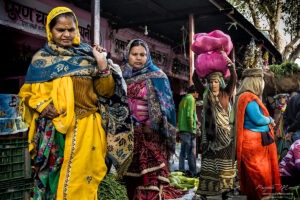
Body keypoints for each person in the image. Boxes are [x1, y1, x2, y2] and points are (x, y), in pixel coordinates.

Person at [18, 7, 133, 199]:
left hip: (88, 128)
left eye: (70, 29)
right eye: (60, 30)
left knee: (86, 182)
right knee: (53, 180)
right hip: (55, 131)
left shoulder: (89, 55)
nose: (66, 34)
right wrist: (43, 105)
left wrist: (102, 64)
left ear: (77, 30)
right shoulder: (42, 60)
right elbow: (28, 93)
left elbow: (107, 92)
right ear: (50, 31)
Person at [121, 39, 186, 200]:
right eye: (134, 54)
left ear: (148, 56)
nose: (138, 58)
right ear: (127, 55)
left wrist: (156, 125)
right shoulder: (121, 77)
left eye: (142, 54)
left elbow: (168, 107)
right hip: (128, 139)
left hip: (152, 137)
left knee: (151, 181)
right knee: (131, 181)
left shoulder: (158, 76)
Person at [233, 68, 281, 200]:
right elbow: (258, 119)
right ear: (255, 82)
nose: (262, 84)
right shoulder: (248, 97)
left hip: (254, 141)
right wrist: (270, 120)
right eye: (261, 81)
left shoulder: (243, 97)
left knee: (255, 175)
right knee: (259, 174)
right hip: (254, 144)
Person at [197, 58, 237, 198]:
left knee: (225, 166)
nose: (213, 84)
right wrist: (199, 66)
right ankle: (205, 192)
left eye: (215, 81)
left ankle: (226, 192)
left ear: (219, 83)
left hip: (225, 137)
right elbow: (195, 79)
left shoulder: (226, 94)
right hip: (210, 138)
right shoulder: (206, 95)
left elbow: (233, 80)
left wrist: (231, 67)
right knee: (208, 166)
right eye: (211, 82)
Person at [177, 85, 199, 178]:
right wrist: (193, 129)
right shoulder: (191, 99)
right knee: (190, 152)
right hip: (188, 129)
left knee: (182, 152)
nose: (198, 95)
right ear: (194, 92)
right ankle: (193, 172)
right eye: (197, 93)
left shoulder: (183, 100)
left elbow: (181, 113)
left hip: (182, 128)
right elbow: (189, 115)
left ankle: (181, 170)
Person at [272, 93, 291, 161]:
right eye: (280, 98)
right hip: (278, 130)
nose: (282, 99)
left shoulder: (288, 107)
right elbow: (276, 119)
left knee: (285, 143)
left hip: (285, 129)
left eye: (283, 97)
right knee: (278, 144)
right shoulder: (277, 109)